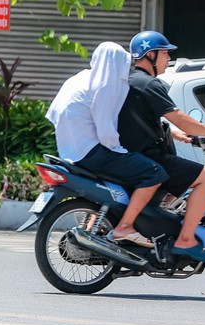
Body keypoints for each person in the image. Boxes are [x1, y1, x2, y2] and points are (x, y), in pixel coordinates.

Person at [117, 31, 205, 265]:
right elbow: (178, 117)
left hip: (130, 153)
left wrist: (176, 135)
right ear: (150, 55)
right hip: (148, 157)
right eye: (164, 54)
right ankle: (185, 239)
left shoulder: (129, 80)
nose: (168, 60)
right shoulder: (149, 83)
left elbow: (139, 121)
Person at [46, 42, 167, 248]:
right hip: (92, 152)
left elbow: (53, 113)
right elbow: (106, 129)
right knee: (154, 172)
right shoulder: (107, 84)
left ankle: (98, 223)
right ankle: (125, 227)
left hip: (69, 151)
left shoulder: (79, 78)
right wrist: (119, 147)